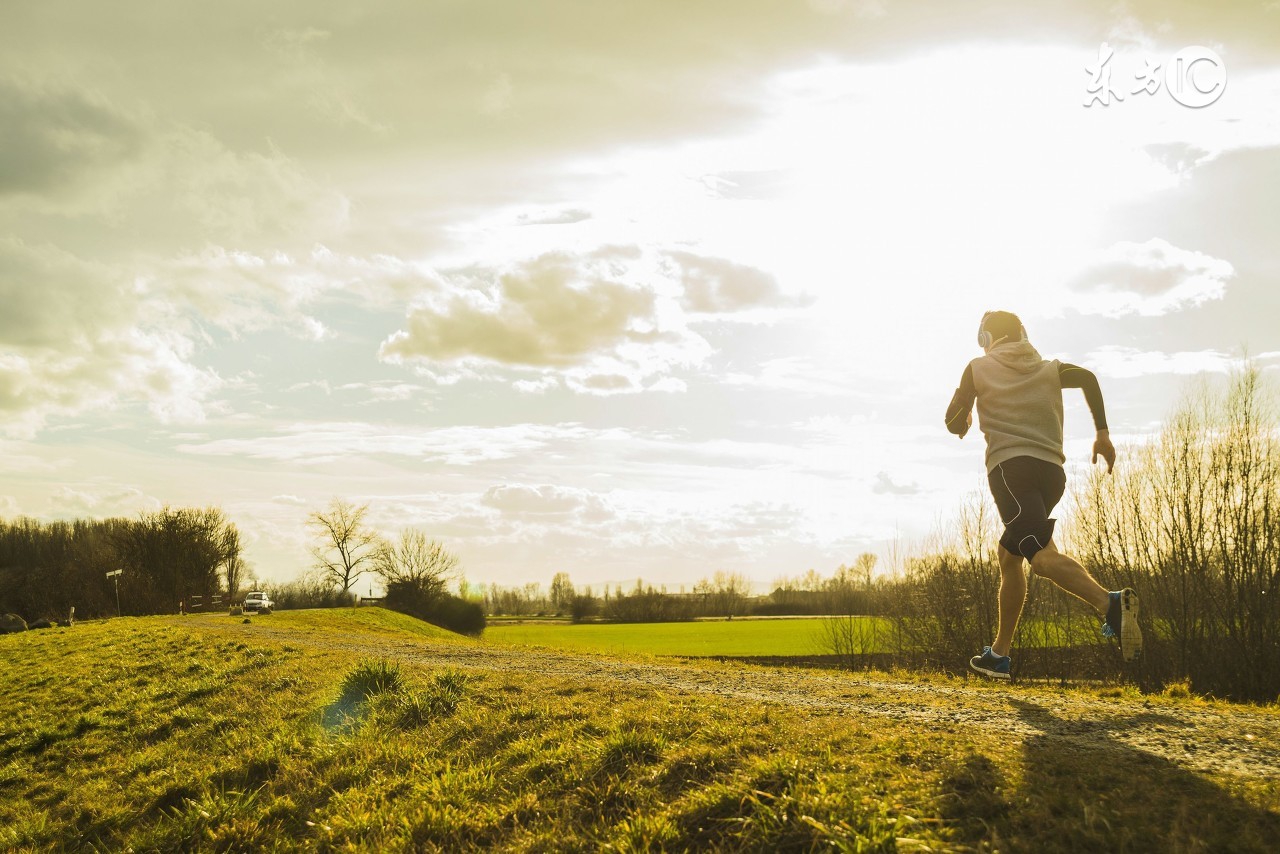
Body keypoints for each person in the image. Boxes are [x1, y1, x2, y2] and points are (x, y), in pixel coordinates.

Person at [944, 310, 1141, 680]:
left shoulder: (977, 367)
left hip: (1010, 471)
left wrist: (964, 419)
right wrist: (1102, 432)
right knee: (1008, 555)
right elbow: (1088, 378)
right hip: (1052, 473)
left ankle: (1109, 603)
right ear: (1022, 334)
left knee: (1040, 556)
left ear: (985, 339)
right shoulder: (1049, 368)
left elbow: (953, 422)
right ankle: (999, 655)